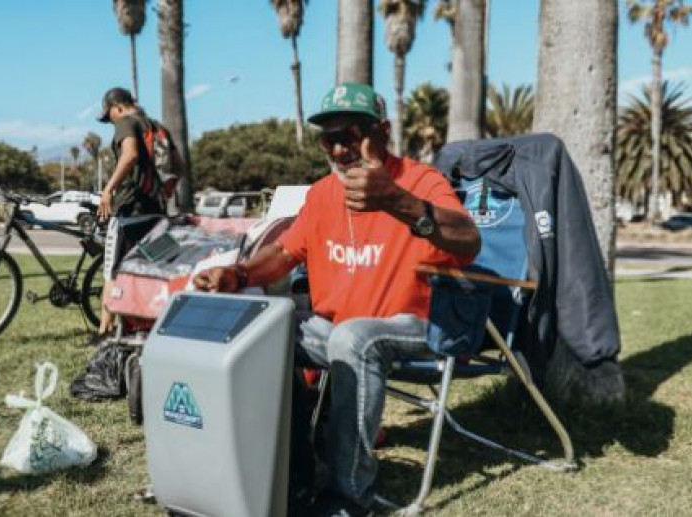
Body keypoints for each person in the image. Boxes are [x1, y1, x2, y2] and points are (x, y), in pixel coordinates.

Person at [194, 82, 480, 516]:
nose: (340, 149)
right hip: (335, 331)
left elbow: (469, 240)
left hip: (414, 326)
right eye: (329, 139)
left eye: (351, 135)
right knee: (263, 326)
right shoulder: (323, 193)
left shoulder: (420, 181)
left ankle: (348, 497)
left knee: (354, 338)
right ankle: (285, 472)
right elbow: (284, 252)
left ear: (383, 132)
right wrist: (240, 273)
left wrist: (397, 201)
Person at [92, 87, 171, 342]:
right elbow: (177, 167)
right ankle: (148, 328)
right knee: (151, 271)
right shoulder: (158, 128)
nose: (112, 122)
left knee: (113, 272)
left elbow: (130, 155)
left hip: (130, 210)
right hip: (156, 212)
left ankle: (104, 332)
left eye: (110, 117)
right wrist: (163, 193)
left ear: (117, 107)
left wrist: (108, 189)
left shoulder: (126, 122)